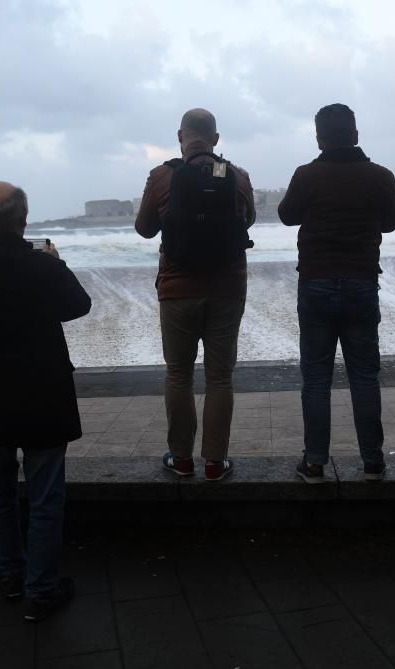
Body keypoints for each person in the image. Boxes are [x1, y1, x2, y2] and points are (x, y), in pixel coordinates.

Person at [0, 181, 91, 622]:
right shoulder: (41, 266)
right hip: (42, 395)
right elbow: (78, 306)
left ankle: (10, 572)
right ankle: (42, 588)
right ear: (23, 219)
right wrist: (56, 263)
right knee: (46, 496)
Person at [277, 103, 395, 484]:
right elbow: (393, 221)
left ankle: (314, 462)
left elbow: (286, 215)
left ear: (319, 138)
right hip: (362, 281)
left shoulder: (307, 175)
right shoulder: (380, 176)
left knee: (316, 378)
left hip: (315, 282)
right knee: (364, 375)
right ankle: (373, 462)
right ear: (356, 134)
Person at [135, 108, 255, 482]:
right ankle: (215, 463)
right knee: (220, 378)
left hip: (177, 290)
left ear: (180, 137)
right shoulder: (236, 176)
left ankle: (183, 460)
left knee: (179, 375)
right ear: (215, 139)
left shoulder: (162, 176)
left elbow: (144, 229)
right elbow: (248, 221)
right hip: (226, 288)